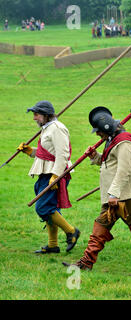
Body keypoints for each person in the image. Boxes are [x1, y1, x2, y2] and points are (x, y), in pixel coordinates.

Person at [62, 106, 131, 277]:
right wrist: (95, 156)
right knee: (99, 229)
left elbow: (125, 170)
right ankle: (86, 263)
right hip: (114, 195)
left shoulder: (124, 142)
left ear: (106, 128)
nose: (97, 134)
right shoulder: (113, 139)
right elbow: (110, 163)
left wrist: (114, 194)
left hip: (128, 195)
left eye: (98, 131)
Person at [17, 101, 80, 254]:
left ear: (46, 115)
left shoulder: (58, 129)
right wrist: (29, 151)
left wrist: (56, 176)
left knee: (44, 208)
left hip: (54, 174)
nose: (34, 118)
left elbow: (63, 154)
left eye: (36, 114)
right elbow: (45, 153)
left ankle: (71, 232)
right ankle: (53, 245)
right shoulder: (47, 128)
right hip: (45, 173)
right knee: (51, 209)